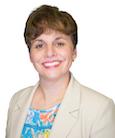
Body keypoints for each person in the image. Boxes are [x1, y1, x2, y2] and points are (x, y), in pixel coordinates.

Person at [6, 4, 115, 138]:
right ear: (30, 55)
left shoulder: (100, 108)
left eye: (59, 43)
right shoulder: (17, 100)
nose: (50, 53)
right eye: (39, 45)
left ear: (74, 52)